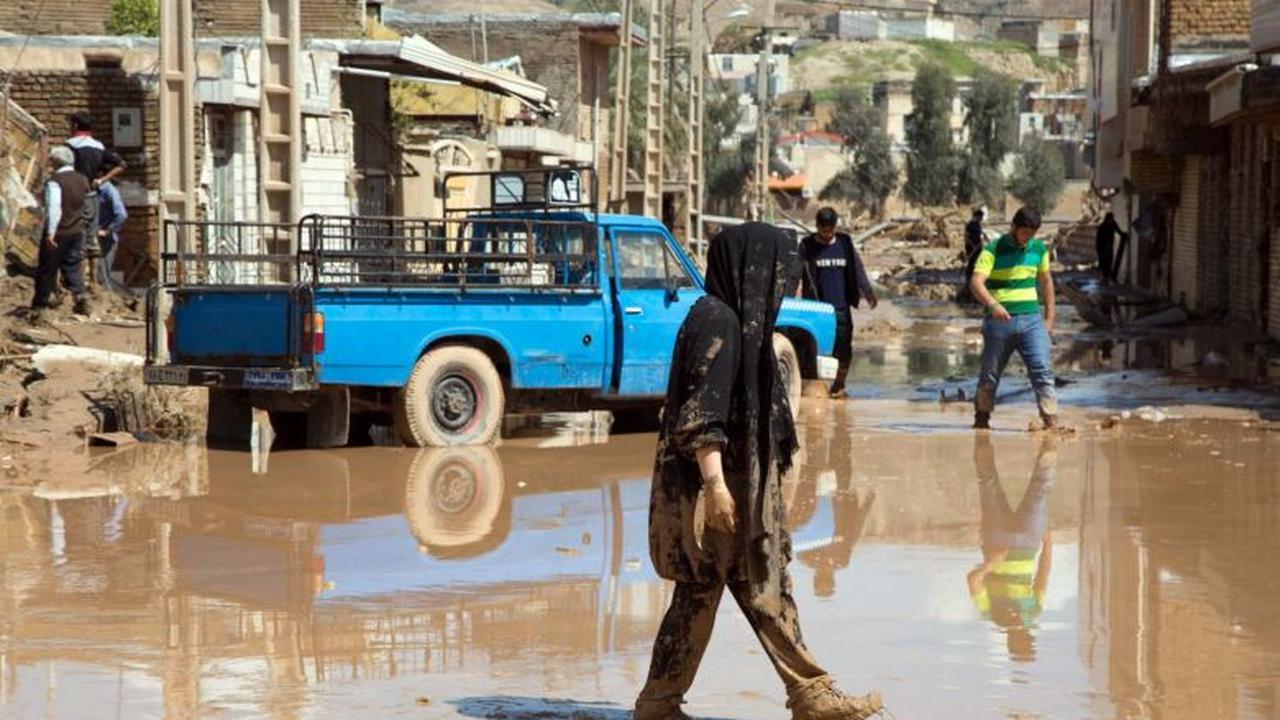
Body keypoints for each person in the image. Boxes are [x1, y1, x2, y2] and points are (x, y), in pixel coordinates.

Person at [635, 223, 883, 720]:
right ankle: (810, 694)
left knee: (732, 589)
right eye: (778, 273)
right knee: (754, 584)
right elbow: (702, 416)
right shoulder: (719, 321)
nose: (784, 284)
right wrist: (718, 490)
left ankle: (663, 703)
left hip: (733, 485)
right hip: (718, 491)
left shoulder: (734, 320)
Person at [967, 434, 1056, 662]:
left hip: (996, 542)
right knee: (1040, 491)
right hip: (1028, 542)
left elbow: (973, 580)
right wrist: (1048, 542)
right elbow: (1043, 574)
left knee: (988, 484)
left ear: (1009, 641)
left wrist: (990, 565)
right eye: (1028, 640)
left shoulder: (990, 613)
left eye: (1021, 642)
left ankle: (982, 437)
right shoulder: (1033, 612)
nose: (1025, 637)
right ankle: (1050, 445)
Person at [969, 207, 1058, 430]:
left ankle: (1051, 421)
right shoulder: (993, 250)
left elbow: (1046, 283)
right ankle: (982, 419)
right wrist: (993, 305)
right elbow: (976, 283)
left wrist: (1049, 320)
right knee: (990, 374)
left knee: (1042, 371)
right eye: (1024, 232)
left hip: (1032, 321)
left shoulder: (1038, 250)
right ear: (1013, 227)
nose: (1028, 238)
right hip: (999, 323)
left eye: (1032, 233)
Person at [800, 207, 878, 399]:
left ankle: (839, 385)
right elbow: (796, 272)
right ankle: (816, 387)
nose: (827, 234)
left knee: (843, 348)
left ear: (835, 226)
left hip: (841, 307)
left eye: (830, 230)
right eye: (823, 230)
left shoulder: (844, 243)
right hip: (816, 309)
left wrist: (867, 291)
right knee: (816, 348)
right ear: (817, 226)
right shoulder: (807, 246)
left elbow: (857, 267)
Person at [35, 146, 91, 316]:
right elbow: (86, 205)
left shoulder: (56, 181)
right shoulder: (82, 179)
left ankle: (40, 305)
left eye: (52, 160)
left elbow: (54, 207)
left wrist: (51, 232)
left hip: (60, 231)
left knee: (47, 269)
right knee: (73, 265)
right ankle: (80, 296)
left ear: (57, 161)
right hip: (77, 230)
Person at [66, 111, 126, 261]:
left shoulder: (71, 145)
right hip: (92, 196)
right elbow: (122, 164)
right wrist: (102, 180)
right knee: (91, 236)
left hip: (73, 196)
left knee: (73, 235)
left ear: (75, 125)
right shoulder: (98, 146)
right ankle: (91, 279)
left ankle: (77, 275)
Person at [96, 179, 128, 288]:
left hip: (104, 239)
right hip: (97, 238)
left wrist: (107, 230)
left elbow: (121, 215)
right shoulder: (97, 190)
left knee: (102, 276)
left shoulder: (108, 190)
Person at [1095, 212, 1127, 283]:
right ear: (1107, 219)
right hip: (1102, 247)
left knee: (1109, 260)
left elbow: (1118, 230)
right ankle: (1104, 275)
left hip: (1109, 246)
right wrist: (1098, 249)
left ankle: (1107, 275)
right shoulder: (1102, 226)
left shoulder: (1113, 224)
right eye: (1109, 219)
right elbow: (1098, 238)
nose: (1110, 220)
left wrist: (1123, 235)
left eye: (1111, 219)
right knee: (1103, 261)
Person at [964, 208, 986, 290]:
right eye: (980, 217)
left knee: (978, 264)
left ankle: (976, 281)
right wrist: (973, 246)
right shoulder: (970, 225)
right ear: (976, 216)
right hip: (971, 248)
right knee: (971, 264)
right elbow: (966, 237)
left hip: (978, 248)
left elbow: (980, 235)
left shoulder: (978, 225)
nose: (981, 219)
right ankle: (968, 282)